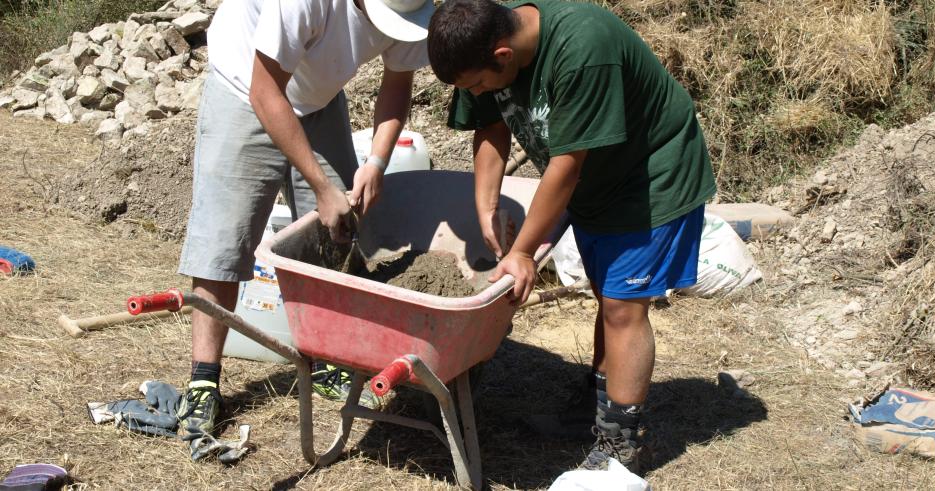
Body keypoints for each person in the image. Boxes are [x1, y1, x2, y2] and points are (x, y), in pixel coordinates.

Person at [428, 0, 716, 472]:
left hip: (650, 175)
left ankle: (623, 443)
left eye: (478, 83)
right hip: (596, 182)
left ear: (503, 56)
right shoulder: (478, 41)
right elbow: (490, 124)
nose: (476, 91)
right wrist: (486, 205)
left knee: (624, 306)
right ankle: (599, 409)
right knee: (608, 294)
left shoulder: (583, 47)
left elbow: (568, 164)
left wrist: (523, 252)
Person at [175, 0, 434, 440]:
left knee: (342, 231)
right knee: (226, 238)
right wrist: (320, 188)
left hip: (319, 97)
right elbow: (264, 90)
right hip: (246, 86)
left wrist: (374, 161)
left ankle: (327, 360)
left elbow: (397, 85)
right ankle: (204, 379)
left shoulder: (411, 8)